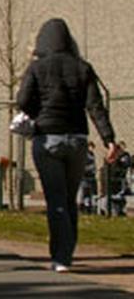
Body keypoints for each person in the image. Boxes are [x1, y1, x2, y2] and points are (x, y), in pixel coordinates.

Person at [17, 18, 121, 272]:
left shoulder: (37, 68)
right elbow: (96, 107)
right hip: (77, 139)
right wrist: (109, 139)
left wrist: (37, 113)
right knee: (70, 196)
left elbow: (22, 101)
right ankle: (68, 249)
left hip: (47, 138)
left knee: (56, 199)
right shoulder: (82, 68)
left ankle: (60, 256)